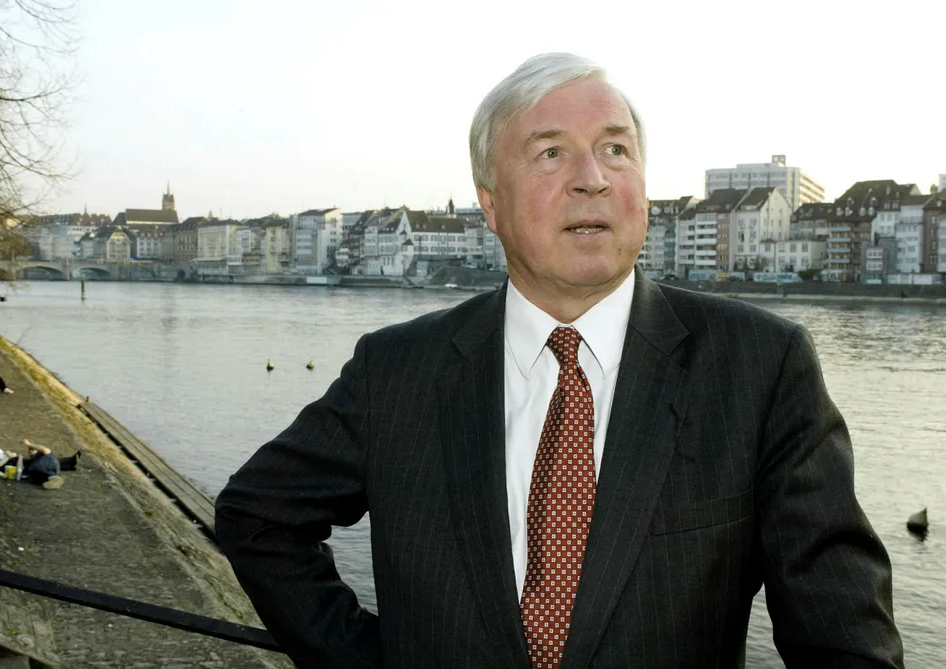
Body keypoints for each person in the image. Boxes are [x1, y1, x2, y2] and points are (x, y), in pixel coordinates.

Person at [215, 54, 903, 668]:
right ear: (490, 203)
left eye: (615, 149)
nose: (592, 178)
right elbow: (258, 516)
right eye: (551, 153)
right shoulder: (396, 371)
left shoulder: (760, 367)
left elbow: (844, 638)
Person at [0, 433, 78, 489]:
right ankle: (51, 476)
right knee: (35, 463)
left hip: (13, 458)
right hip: (9, 462)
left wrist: (9, 455)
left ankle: (65, 465)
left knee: (40, 456)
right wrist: (8, 457)